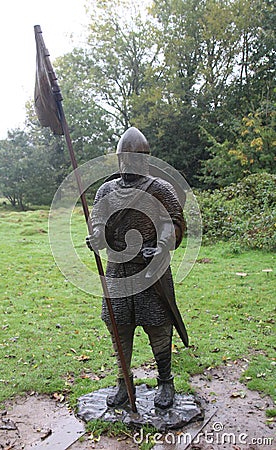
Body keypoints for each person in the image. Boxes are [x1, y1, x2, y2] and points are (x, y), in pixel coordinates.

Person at [86, 127, 186, 409]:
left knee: (157, 325)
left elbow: (173, 223)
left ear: (144, 159)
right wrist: (97, 236)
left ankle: (166, 382)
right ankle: (123, 382)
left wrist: (163, 244)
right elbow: (99, 222)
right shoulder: (107, 190)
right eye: (124, 158)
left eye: (134, 158)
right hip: (118, 271)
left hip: (150, 270)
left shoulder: (159, 189)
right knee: (119, 327)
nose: (128, 164)